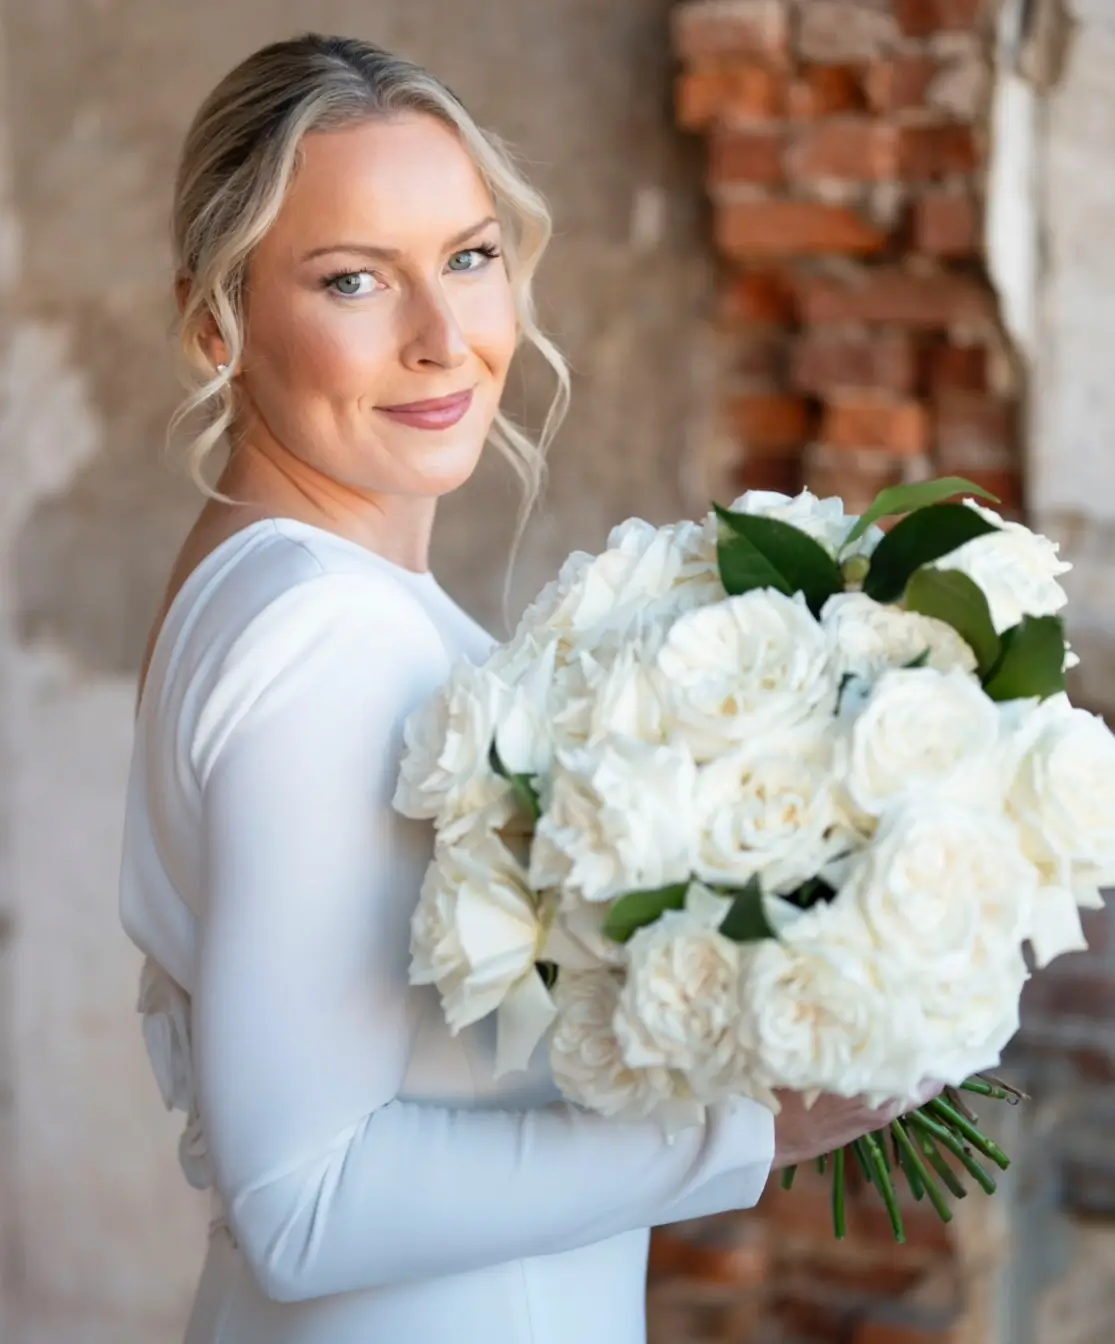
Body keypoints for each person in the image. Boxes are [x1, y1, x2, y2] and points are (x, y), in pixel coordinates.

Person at [119, 33, 912, 1344]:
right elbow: (303, 1199)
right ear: (217, 322)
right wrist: (743, 1132)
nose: (444, 340)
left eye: (469, 257)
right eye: (354, 280)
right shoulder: (326, 635)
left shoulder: (267, 583)